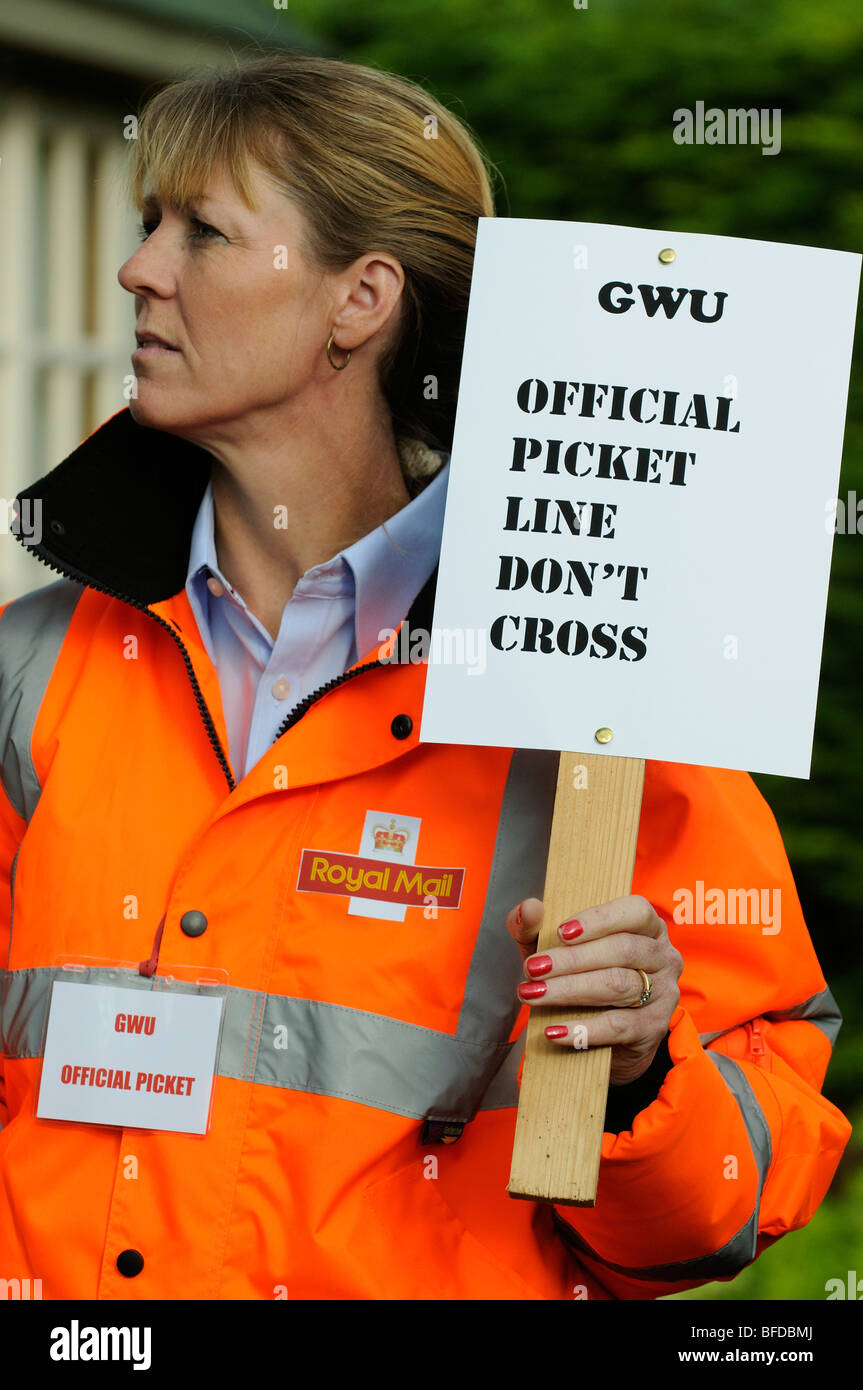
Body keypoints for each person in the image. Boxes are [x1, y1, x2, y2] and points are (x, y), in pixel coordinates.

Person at [0, 52, 850, 1301]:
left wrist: (643, 1079)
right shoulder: (32, 663)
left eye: (204, 233)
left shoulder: (593, 691)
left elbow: (715, 1221)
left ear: (362, 298)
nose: (138, 269)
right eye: (146, 226)